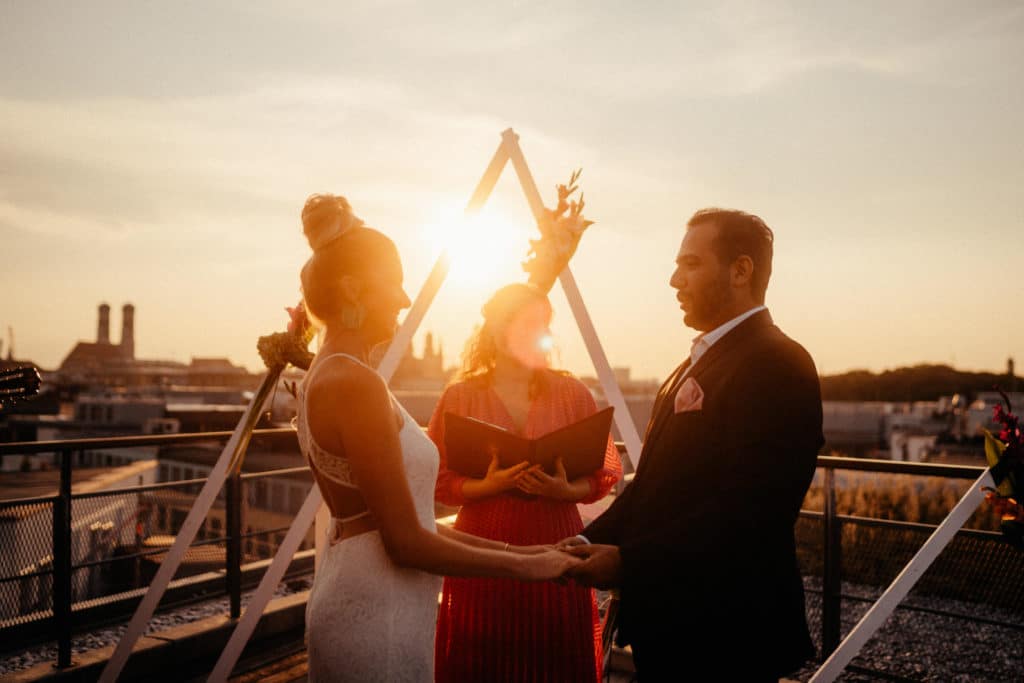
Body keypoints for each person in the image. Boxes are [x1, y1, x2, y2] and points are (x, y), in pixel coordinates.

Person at [294, 195, 579, 683]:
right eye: (395, 283)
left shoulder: (335, 374)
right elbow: (407, 543)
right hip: (377, 610)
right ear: (352, 289)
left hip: (380, 594)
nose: (405, 300)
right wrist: (526, 571)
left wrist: (527, 551)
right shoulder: (353, 384)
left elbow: (411, 522)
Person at [563, 209, 824, 681]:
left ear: (741, 270)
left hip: (727, 637)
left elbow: (753, 511)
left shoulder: (779, 362)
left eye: (691, 264)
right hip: (670, 629)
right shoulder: (691, 364)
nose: (673, 280)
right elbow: (653, 488)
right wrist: (584, 542)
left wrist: (628, 561)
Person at [428, 283, 622, 682]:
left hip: (556, 540)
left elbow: (604, 472)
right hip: (479, 551)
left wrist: (567, 491)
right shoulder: (459, 396)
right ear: (500, 331)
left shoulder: (572, 393)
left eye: (545, 323)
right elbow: (438, 482)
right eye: (531, 323)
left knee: (555, 659)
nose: (542, 333)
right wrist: (490, 484)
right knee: (480, 661)